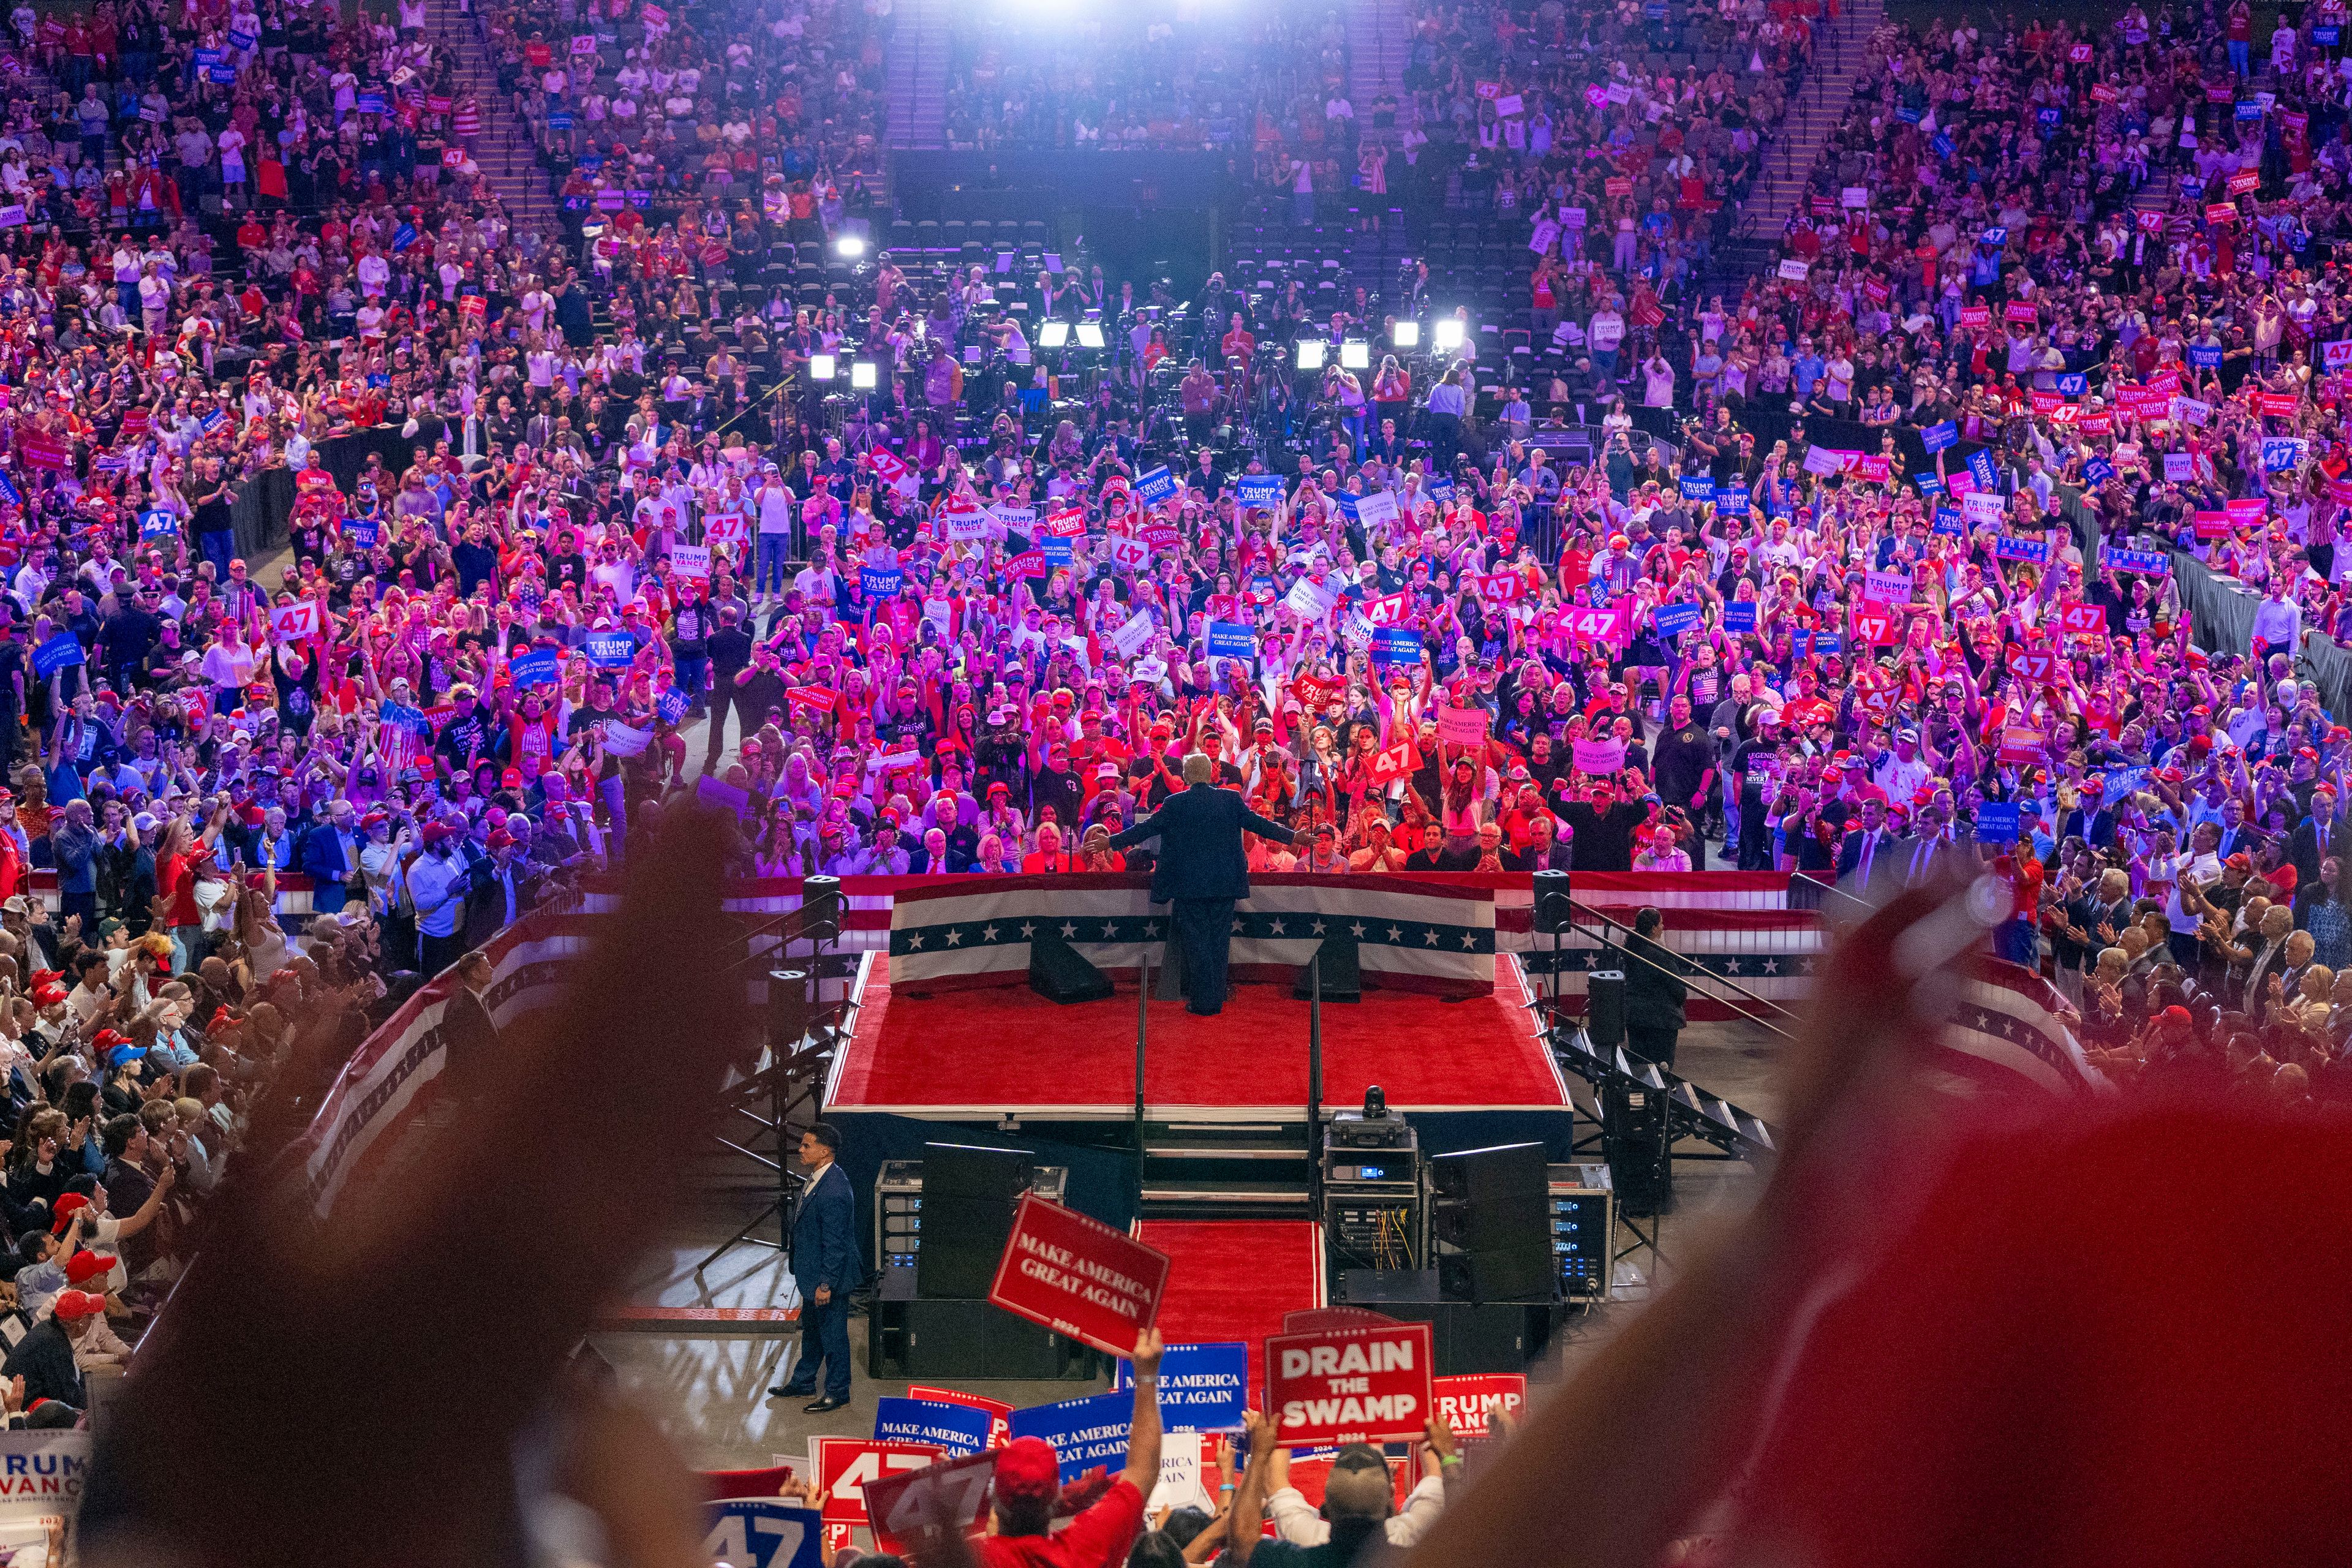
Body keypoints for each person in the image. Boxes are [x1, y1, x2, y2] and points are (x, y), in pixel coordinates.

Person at [1094, 753, 1306, 1017]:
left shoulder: (1174, 803)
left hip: (1189, 888)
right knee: (1219, 943)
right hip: (1224, 886)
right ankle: (1214, 1000)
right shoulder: (1231, 800)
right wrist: (1293, 836)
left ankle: (1203, 1002)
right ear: (1209, 775)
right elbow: (1260, 824)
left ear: (1186, 776)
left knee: (1196, 943)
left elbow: (1144, 830)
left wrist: (1111, 842)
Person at [979, 1328, 1163, 1567]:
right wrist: (1147, 1376)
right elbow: (1142, 1472)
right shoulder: (1084, 1552)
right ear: (1057, 1496)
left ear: (994, 1500)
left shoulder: (966, 1559)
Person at [769, 1121, 859, 1411]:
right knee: (812, 1331)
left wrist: (825, 1285)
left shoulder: (834, 1190)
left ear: (824, 1151)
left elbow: (836, 1244)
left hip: (827, 1278)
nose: (801, 1149)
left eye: (807, 1145)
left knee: (833, 1336)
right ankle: (804, 1381)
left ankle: (838, 1390)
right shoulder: (819, 1178)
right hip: (813, 1275)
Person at [1621, 906, 1687, 1068]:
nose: (1663, 927)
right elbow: (1679, 990)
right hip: (1661, 1021)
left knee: (1639, 1066)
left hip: (1635, 1017)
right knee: (1661, 1069)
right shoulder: (1661, 956)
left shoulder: (1628, 951)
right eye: (1661, 924)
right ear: (1653, 929)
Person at [439, 950, 499, 1100]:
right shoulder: (462, 1008)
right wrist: (480, 1093)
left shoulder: (475, 1000)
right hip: (473, 1092)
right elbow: (467, 1053)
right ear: (474, 974)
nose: (492, 970)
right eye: (487, 967)